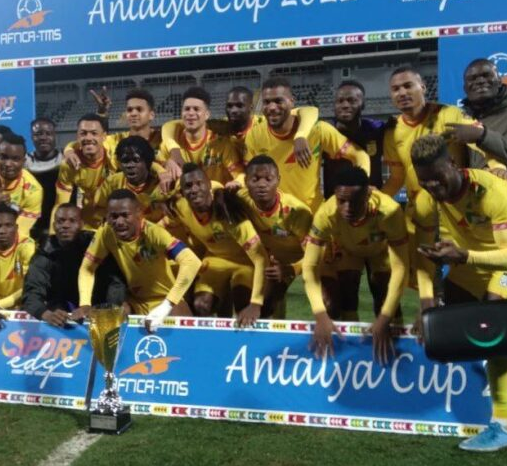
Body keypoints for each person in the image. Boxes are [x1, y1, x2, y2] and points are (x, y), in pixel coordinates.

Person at [409, 135, 507, 452]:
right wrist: (426, 302)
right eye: (424, 180)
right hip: (472, 257)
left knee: (495, 318)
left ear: (453, 164)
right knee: (449, 319)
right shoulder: (426, 200)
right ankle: (492, 366)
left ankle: (504, 426)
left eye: (437, 177)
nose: (432, 186)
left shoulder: (491, 191)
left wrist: (464, 256)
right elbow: (423, 256)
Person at [305, 166, 409, 364]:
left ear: (368, 194)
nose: (347, 208)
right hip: (348, 250)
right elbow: (310, 267)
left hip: (380, 251)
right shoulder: (325, 214)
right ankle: (349, 354)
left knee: (385, 295)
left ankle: (396, 352)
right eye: (341, 201)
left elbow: (401, 267)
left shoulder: (390, 211)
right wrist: (320, 314)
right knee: (344, 295)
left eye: (354, 201)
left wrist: (385, 317)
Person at [73, 190, 201, 332]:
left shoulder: (154, 233)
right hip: (134, 302)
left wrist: (166, 305)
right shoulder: (105, 233)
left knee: (183, 331)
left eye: (125, 215)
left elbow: (192, 262)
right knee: (115, 319)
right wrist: (84, 304)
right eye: (114, 216)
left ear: (139, 213)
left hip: (165, 298)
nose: (119, 222)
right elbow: (87, 269)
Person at [381, 66, 506, 203]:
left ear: (423, 88)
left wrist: (498, 167)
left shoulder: (449, 114)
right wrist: (375, 200)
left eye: (408, 86)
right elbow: (397, 178)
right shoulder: (392, 132)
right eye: (396, 89)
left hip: (455, 202)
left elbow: (480, 140)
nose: (402, 93)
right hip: (419, 210)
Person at [244, 77, 370, 212]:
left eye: (278, 101)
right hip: (278, 215)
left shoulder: (318, 130)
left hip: (312, 213)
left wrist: (360, 184)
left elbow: (359, 155)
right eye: (266, 102)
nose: (272, 107)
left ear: (292, 102)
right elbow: (249, 177)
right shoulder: (255, 135)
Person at [167, 163, 268, 325]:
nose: (194, 189)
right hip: (215, 259)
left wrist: (256, 303)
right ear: (182, 192)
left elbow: (260, 258)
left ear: (209, 185)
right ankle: (208, 341)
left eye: (199, 183)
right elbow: (159, 206)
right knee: (201, 305)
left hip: (246, 261)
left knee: (243, 306)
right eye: (188, 186)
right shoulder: (179, 206)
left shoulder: (228, 211)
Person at [442, 58, 507, 201]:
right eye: (472, 78)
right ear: (465, 88)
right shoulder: (462, 118)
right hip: (478, 204)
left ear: (499, 81)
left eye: (486, 75)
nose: (480, 81)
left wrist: (482, 136)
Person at [162, 85, 319, 174]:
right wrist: (174, 151)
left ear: (251, 107)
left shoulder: (263, 123)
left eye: (239, 106)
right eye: (230, 106)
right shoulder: (221, 126)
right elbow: (171, 125)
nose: (234, 110)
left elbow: (309, 110)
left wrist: (300, 135)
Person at [23, 204, 126, 326]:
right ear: (54, 226)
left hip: (100, 305)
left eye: (72, 221)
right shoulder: (46, 251)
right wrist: (46, 314)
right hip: (61, 307)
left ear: (81, 224)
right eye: (60, 221)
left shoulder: (96, 245)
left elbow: (116, 281)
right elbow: (31, 292)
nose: (65, 225)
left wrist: (110, 309)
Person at [237, 155, 313, 318]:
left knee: (268, 302)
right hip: (264, 258)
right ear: (246, 182)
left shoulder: (297, 212)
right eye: (255, 179)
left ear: (278, 180)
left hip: (294, 260)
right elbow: (214, 194)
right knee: (246, 298)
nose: (262, 184)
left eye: (268, 179)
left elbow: (313, 254)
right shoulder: (241, 199)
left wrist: (289, 269)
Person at [159, 87, 244, 186]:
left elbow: (240, 174)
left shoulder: (221, 144)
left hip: (216, 194)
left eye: (196, 109)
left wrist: (237, 182)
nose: (191, 113)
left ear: (207, 115)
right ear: (181, 113)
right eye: (187, 109)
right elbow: (155, 165)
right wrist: (165, 164)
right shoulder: (171, 143)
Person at [65, 87, 163, 168]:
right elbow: (86, 142)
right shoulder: (116, 140)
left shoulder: (162, 138)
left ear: (151, 115)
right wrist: (69, 151)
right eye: (129, 110)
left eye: (139, 109)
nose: (133, 113)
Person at [53, 114, 115, 231]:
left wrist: (68, 150)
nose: (88, 138)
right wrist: (54, 235)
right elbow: (61, 204)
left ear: (104, 136)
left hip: (118, 218)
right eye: (83, 133)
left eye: (94, 133)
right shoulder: (69, 165)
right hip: (89, 220)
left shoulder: (115, 150)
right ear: (77, 136)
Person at [323, 79, 386, 194]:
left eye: (351, 101)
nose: (345, 105)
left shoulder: (377, 129)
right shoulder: (326, 133)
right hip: (335, 201)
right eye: (340, 101)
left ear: (363, 104)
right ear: (334, 106)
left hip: (372, 200)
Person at [94, 135, 169, 223]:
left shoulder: (162, 184)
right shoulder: (112, 183)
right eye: (125, 161)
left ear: (147, 162)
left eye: (136, 160)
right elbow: (99, 210)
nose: (130, 165)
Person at [26, 117, 62, 239]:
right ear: (32, 137)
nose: (43, 137)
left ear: (55, 136)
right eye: (38, 134)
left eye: (48, 133)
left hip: (61, 228)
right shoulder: (24, 163)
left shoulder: (68, 160)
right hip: (32, 227)